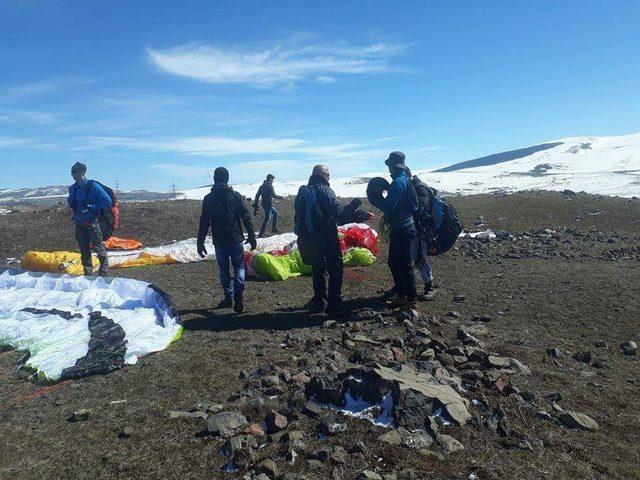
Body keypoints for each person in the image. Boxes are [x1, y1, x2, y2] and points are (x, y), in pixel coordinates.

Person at [295, 165, 362, 316]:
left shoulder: (304, 191)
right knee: (336, 269)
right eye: (328, 174)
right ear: (323, 175)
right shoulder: (324, 190)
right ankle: (334, 303)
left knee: (318, 269)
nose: (329, 177)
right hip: (326, 237)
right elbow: (339, 213)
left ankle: (319, 301)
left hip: (308, 238)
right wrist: (354, 206)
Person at [197, 167, 257, 314]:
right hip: (235, 238)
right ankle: (239, 288)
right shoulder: (236, 196)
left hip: (219, 241)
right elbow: (246, 217)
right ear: (227, 179)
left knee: (223, 269)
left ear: (214, 179)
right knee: (239, 267)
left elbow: (204, 222)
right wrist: (251, 235)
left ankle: (228, 296)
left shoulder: (209, 199)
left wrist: (200, 242)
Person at [369, 152, 419, 310]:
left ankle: (411, 300)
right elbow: (414, 205)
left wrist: (374, 199)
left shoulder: (398, 182)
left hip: (402, 229)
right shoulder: (405, 179)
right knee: (395, 262)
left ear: (392, 166)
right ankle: (403, 295)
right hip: (404, 226)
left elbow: (388, 207)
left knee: (403, 264)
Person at [67, 162, 112, 276]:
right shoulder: (73, 188)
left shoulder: (93, 187)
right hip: (79, 222)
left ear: (81, 172)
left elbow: (107, 200)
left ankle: (103, 274)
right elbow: (71, 202)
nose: (72, 174)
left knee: (98, 248)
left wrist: (92, 207)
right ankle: (88, 275)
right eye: (72, 172)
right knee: (84, 250)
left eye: (74, 172)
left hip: (92, 223)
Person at [406, 168, 437, 301]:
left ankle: (429, 286)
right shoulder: (416, 187)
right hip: (415, 227)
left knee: (419, 256)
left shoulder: (419, 189)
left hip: (420, 228)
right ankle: (401, 285)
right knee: (411, 256)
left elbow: (421, 209)